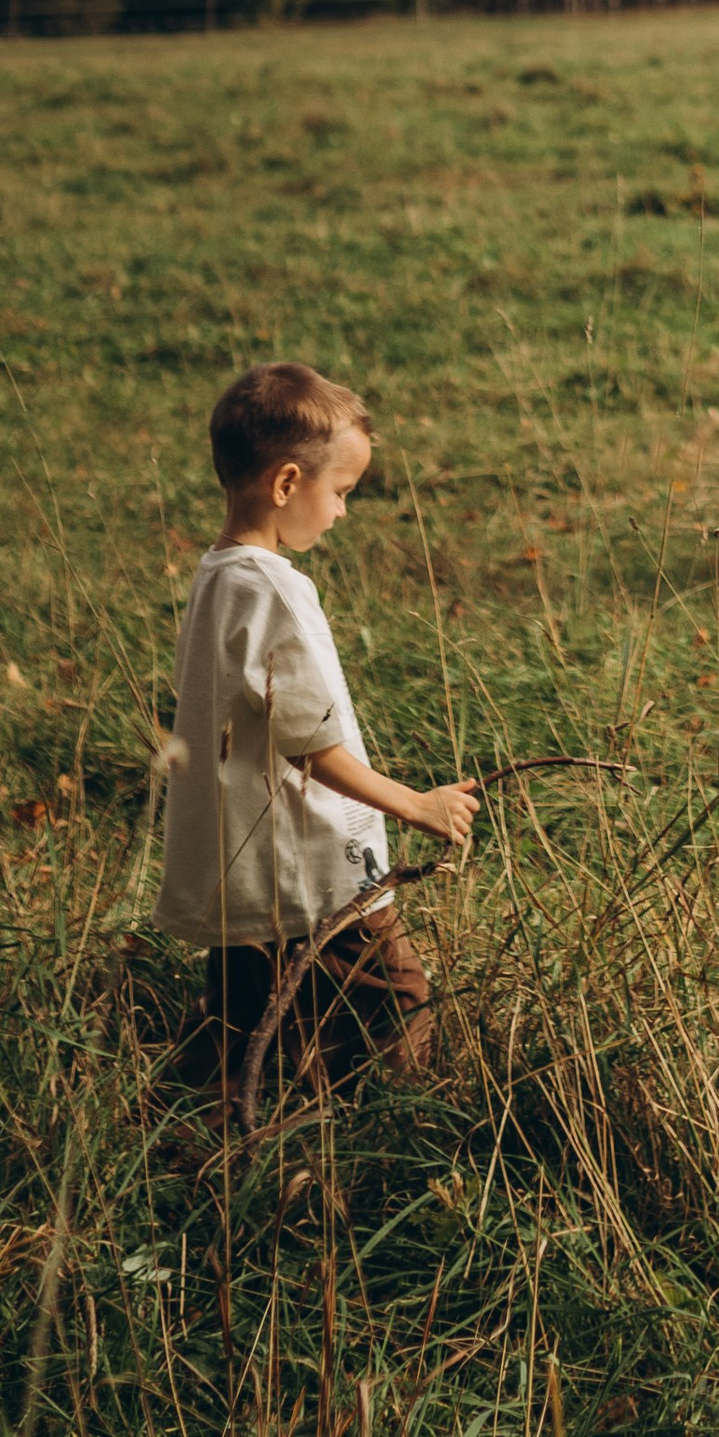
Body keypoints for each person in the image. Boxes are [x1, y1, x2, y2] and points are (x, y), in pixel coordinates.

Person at [155, 361, 480, 1110]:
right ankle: (394, 1134)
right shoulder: (274, 589)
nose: (341, 513)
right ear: (286, 483)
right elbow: (310, 743)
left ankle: (200, 1136)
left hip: (244, 875)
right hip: (309, 873)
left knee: (241, 1031)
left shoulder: (217, 576)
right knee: (397, 1002)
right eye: (341, 492)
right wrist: (414, 804)